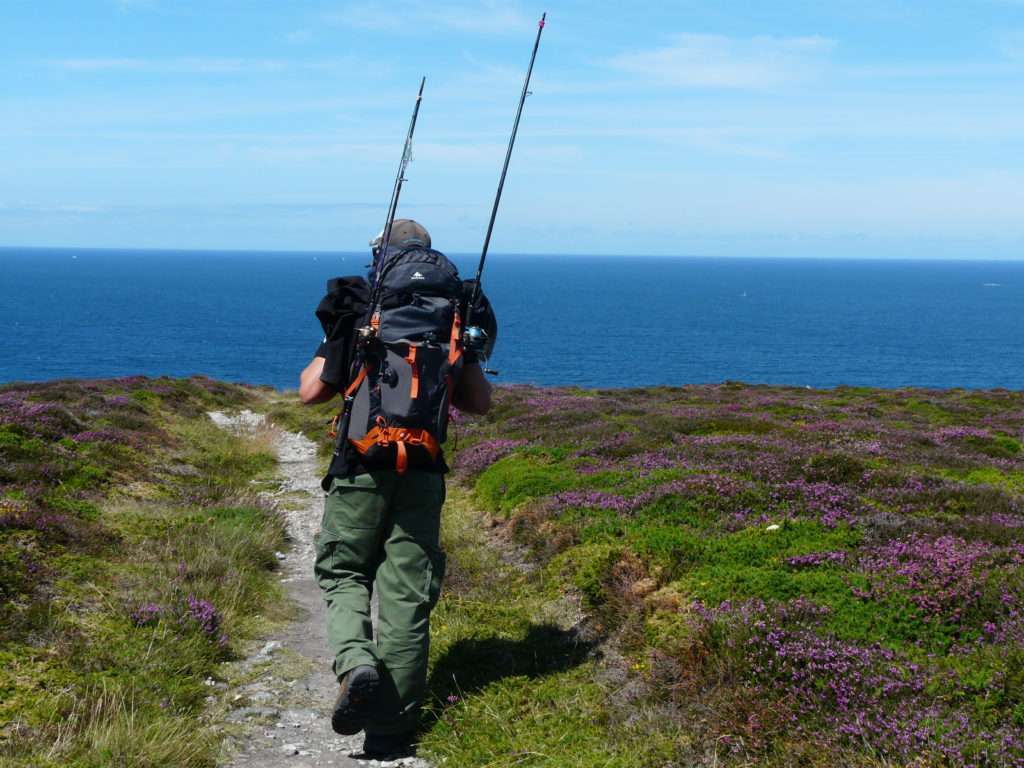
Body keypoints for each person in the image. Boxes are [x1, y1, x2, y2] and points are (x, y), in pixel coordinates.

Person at [298, 219, 492, 759]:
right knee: (409, 593)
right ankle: (391, 732)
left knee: (343, 570)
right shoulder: (454, 315)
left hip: (360, 466)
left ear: (382, 255)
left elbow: (311, 392)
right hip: (424, 471)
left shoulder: (362, 306)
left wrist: (339, 341)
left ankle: (357, 660)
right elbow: (478, 403)